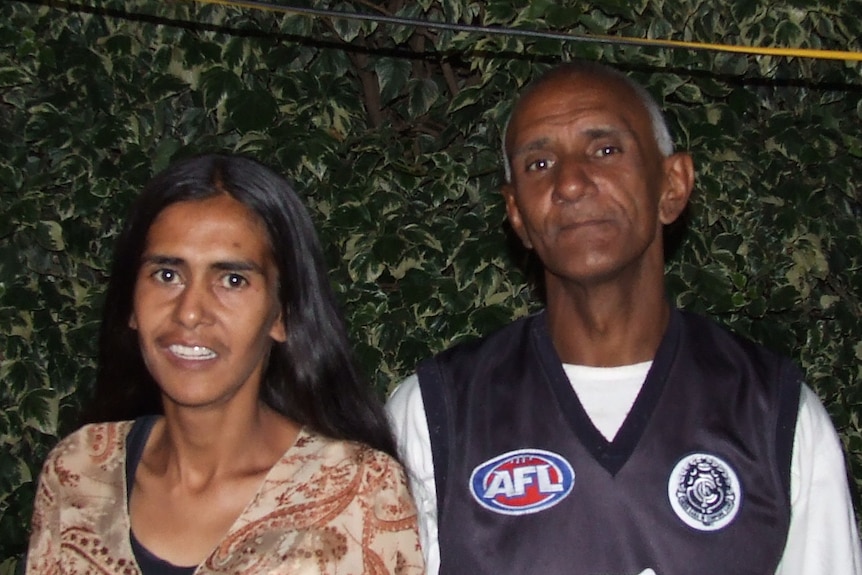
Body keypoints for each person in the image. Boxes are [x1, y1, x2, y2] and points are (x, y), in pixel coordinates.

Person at [386, 61, 862, 575]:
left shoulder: (775, 413)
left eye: (606, 150)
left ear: (673, 184)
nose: (569, 183)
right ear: (517, 213)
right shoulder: (436, 414)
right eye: (539, 164)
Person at [26, 154, 424, 574]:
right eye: (166, 275)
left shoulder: (358, 493)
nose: (190, 312)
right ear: (130, 303)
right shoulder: (79, 471)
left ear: (282, 314)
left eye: (232, 280)